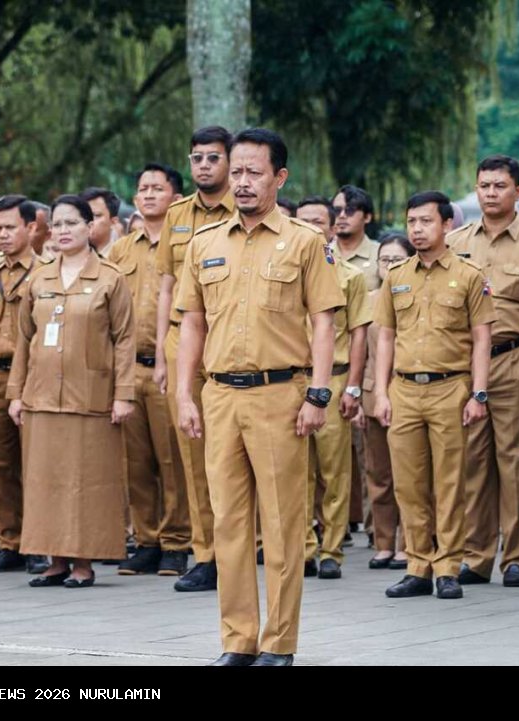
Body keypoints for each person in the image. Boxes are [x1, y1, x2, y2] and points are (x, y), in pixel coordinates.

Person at [175, 128, 344, 667]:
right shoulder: (204, 244)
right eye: (237, 172)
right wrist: (184, 394)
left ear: (280, 177)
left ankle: (279, 643)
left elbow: (324, 323)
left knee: (282, 524)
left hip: (280, 397)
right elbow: (192, 324)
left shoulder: (305, 242)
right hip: (220, 396)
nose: (243, 182)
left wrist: (318, 394)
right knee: (227, 525)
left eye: (254, 172)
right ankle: (238, 640)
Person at [7, 194, 135, 588]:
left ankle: (83, 562)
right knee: (44, 479)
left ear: (89, 227)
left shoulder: (110, 277)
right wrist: (16, 393)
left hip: (91, 396)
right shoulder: (39, 279)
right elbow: (24, 339)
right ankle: (55, 560)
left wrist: (124, 394)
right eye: (57, 224)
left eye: (72, 223)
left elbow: (124, 339)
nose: (63, 231)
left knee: (86, 481)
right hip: (42, 394)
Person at [374, 190, 495, 601]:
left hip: (450, 388)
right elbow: (385, 336)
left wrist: (479, 393)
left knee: (449, 482)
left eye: (426, 221)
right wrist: (381, 392)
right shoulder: (396, 276)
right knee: (408, 485)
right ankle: (417, 566)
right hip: (404, 390)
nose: (417, 229)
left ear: (447, 225)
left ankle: (447, 567)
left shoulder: (469, 275)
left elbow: (482, 339)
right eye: (412, 222)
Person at [448, 155, 519, 588]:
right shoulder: (455, 242)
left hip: (517, 360)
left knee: (517, 463)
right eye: (484, 185)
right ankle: (475, 557)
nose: (490, 193)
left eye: (500, 186)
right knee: (472, 463)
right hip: (466, 364)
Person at [154, 125, 235, 593]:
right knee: (193, 452)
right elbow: (166, 286)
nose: (204, 165)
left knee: (232, 454)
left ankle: (241, 546)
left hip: (230, 340)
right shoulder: (177, 215)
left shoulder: (245, 209)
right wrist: (162, 355)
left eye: (213, 158)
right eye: (197, 158)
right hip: (181, 338)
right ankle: (206, 555)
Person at [107, 163, 190, 577]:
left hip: (170, 365)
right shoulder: (121, 250)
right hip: (128, 366)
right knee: (135, 461)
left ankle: (176, 541)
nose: (149, 194)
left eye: (158, 188)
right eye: (143, 188)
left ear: (177, 198)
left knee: (172, 458)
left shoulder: (186, 244)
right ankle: (145, 541)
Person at [0, 195, 49, 575]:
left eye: (9, 228)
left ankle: (37, 542)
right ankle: (9, 541)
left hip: (32, 375)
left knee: (33, 462)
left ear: (31, 228)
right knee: (1, 462)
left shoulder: (45, 272)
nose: (2, 235)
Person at [303, 224, 371, 580]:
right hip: (292, 379)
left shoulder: (350, 276)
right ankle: (303, 548)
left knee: (334, 472)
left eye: (318, 223)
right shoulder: (288, 271)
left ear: (330, 229)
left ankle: (331, 550)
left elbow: (359, 334)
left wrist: (353, 387)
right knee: (297, 472)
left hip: (334, 377)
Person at [355, 233, 414, 570]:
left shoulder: (416, 295)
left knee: (410, 474)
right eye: (385, 260)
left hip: (409, 392)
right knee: (378, 474)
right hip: (371, 393)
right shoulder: (368, 300)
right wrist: (356, 394)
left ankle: (409, 543)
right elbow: (360, 351)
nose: (389, 266)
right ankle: (384, 543)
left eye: (397, 259)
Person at [331, 185, 381, 291]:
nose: (342, 215)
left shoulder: (381, 255)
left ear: (367, 217)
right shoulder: (322, 253)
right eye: (337, 210)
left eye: (350, 210)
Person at [79, 187, 121, 258]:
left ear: (113, 222)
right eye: (82, 215)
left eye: (96, 215)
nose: (87, 221)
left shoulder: (124, 256)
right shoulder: (66, 256)